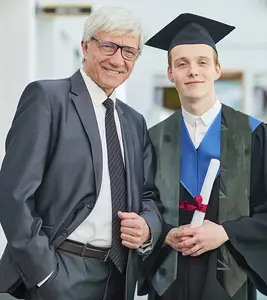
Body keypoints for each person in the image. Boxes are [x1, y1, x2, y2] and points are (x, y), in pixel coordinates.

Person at [0, 6, 162, 300]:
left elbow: (148, 194)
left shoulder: (134, 122)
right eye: (109, 46)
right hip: (58, 271)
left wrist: (148, 227)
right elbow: (14, 195)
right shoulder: (48, 100)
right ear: (86, 46)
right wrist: (44, 273)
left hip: (117, 276)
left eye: (129, 52)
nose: (117, 59)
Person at [138, 13, 267, 300]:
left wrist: (225, 233)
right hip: (169, 279)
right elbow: (140, 206)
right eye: (182, 64)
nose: (193, 71)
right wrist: (164, 234)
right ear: (171, 74)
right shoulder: (153, 139)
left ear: (217, 69)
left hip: (229, 278)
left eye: (202, 62)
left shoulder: (255, 135)